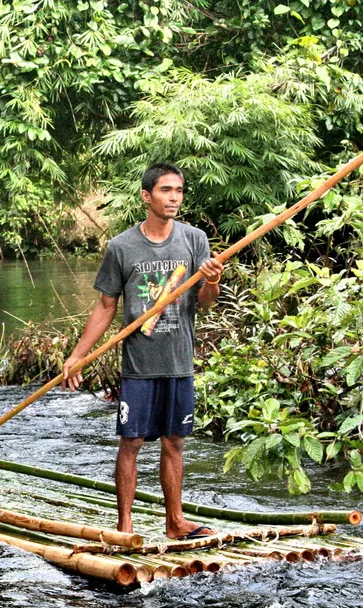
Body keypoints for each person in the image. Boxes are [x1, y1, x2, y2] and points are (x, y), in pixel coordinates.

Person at [61, 162, 224, 540]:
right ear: (146, 196)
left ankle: (175, 522)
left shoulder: (194, 239)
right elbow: (105, 307)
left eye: (179, 191)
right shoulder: (121, 247)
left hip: (179, 361)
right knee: (131, 442)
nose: (174, 198)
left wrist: (213, 281)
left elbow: (207, 303)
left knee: (175, 441)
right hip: (139, 363)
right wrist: (77, 354)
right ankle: (125, 525)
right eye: (166, 190)